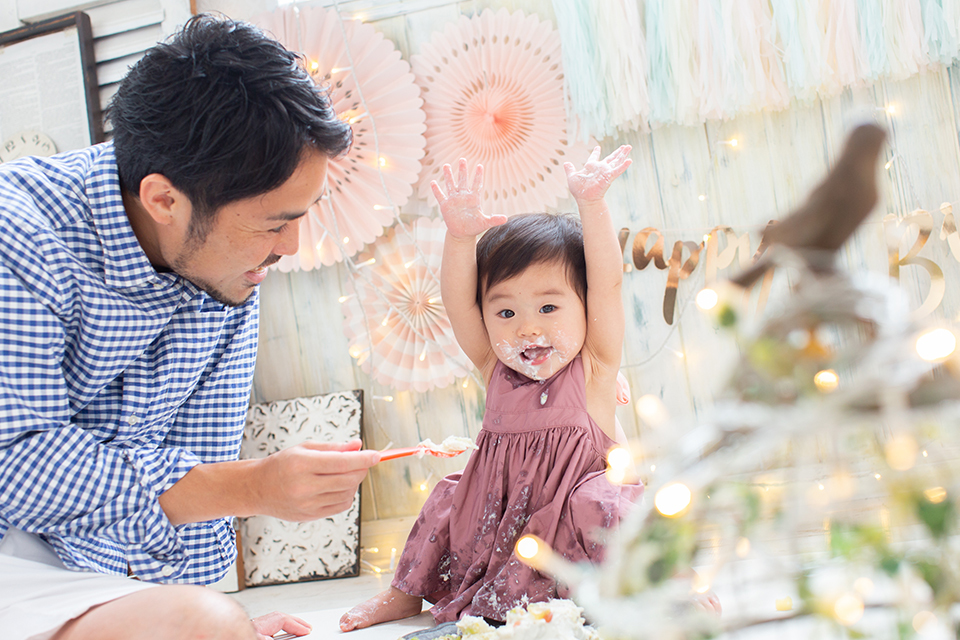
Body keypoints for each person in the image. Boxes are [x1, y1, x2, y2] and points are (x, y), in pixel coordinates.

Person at [0, 14, 380, 640]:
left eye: (302, 214)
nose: (290, 244)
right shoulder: (20, 234)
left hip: (71, 569)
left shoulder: (230, 271)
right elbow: (15, 467)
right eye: (271, 221)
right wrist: (254, 486)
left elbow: (202, 467)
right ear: (163, 200)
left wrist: (226, 619)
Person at [340, 145, 645, 631]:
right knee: (446, 496)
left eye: (549, 309)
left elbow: (607, 283)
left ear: (585, 308)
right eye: (506, 313)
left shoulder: (595, 366)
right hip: (501, 523)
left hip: (571, 524)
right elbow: (458, 301)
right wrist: (461, 237)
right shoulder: (493, 366)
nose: (527, 329)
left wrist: (593, 205)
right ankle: (403, 595)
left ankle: (653, 589)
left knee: (609, 505)